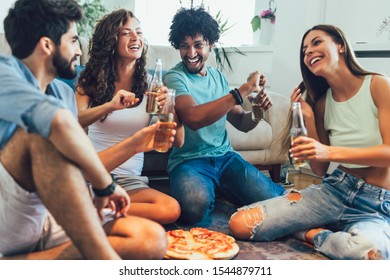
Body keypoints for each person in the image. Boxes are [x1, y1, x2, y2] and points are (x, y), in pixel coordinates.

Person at [0, 0, 171, 260]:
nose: (79, 52)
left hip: (55, 212)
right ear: (47, 45)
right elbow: (58, 125)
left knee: (151, 240)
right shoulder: (4, 72)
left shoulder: (61, 92)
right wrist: (106, 186)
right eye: (72, 41)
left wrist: (91, 198)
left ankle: (17, 265)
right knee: (42, 135)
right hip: (12, 210)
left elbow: (73, 161)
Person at [229, 24, 390, 260]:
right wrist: (310, 118)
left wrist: (329, 150)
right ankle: (328, 229)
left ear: (341, 46)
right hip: (335, 191)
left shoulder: (378, 85)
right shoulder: (323, 103)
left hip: (377, 203)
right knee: (241, 223)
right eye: (304, 50)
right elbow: (319, 169)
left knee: (368, 252)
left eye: (316, 43)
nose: (308, 53)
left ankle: (315, 234)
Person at [163, 7, 286, 225]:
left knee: (275, 201)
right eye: (185, 46)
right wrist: (242, 91)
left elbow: (241, 122)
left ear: (210, 44)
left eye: (198, 45)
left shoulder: (217, 77)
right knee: (194, 207)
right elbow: (192, 117)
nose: (191, 54)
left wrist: (257, 110)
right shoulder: (174, 77)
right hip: (188, 162)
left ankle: (222, 188)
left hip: (225, 158)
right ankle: (213, 191)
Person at [75, 9, 182, 225]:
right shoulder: (91, 81)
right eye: (126, 33)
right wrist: (109, 106)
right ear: (111, 41)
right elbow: (74, 122)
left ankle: (97, 210)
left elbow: (179, 141)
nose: (136, 38)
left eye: (139, 32)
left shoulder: (152, 86)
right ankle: (100, 209)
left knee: (171, 209)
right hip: (94, 171)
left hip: (130, 180)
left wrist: (170, 108)